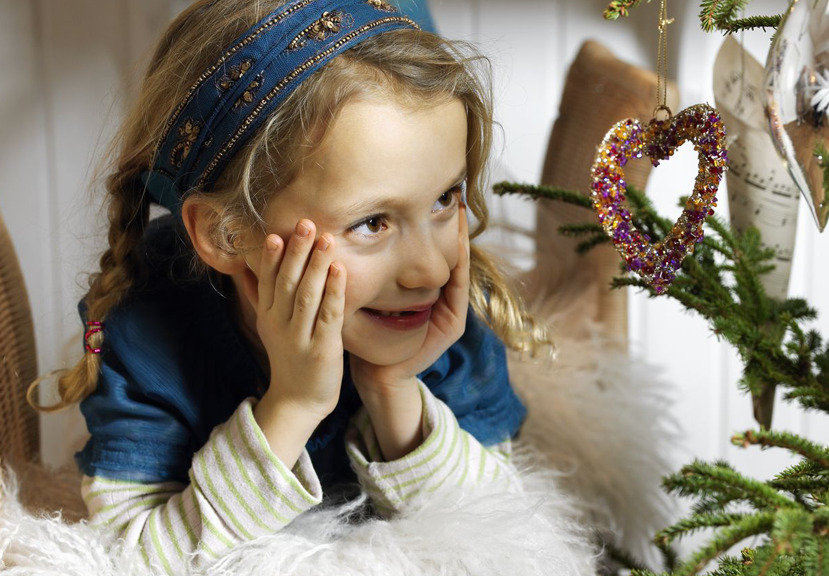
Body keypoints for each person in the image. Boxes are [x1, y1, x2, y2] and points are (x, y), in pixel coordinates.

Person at [29, 0, 546, 573]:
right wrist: (293, 404)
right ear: (227, 235)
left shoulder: (438, 320)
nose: (430, 269)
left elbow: (509, 538)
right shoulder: (148, 331)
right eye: (371, 222)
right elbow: (130, 559)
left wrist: (394, 389)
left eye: (445, 198)